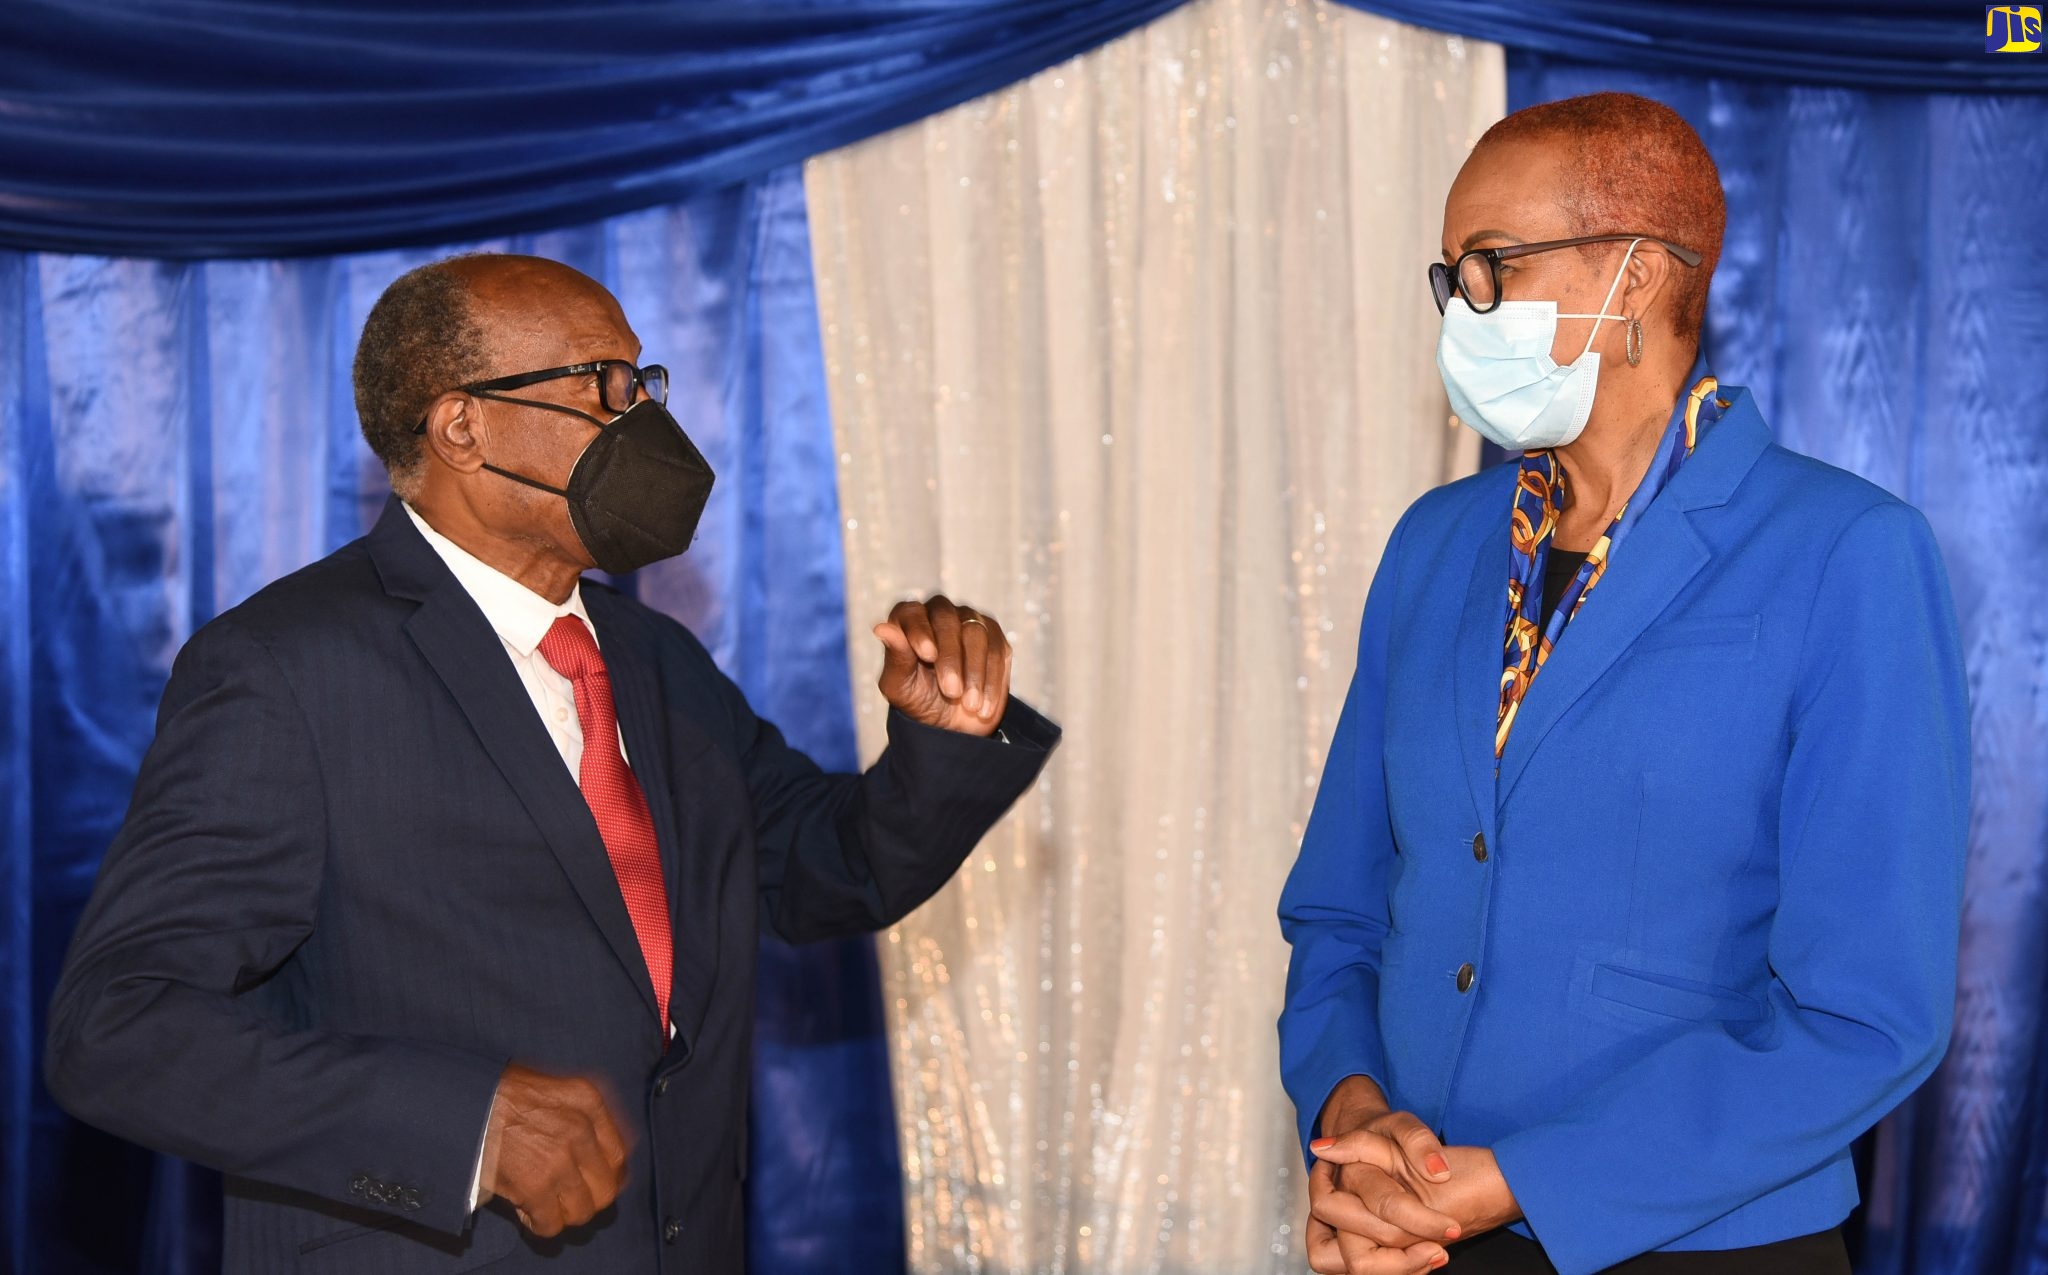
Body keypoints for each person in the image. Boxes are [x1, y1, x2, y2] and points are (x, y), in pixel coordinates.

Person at [44, 253, 1060, 1274]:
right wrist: (466, 1130)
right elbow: (118, 1026)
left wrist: (942, 736)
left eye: (642, 384)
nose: (643, 425)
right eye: (602, 389)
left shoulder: (652, 657)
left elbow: (819, 868)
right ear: (461, 428)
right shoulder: (285, 669)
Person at [1277, 92, 1969, 1275]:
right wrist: (1352, 1118)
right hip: (1411, 1231)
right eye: (1451, 278)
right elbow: (1340, 907)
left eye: (1489, 265)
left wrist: (1523, 1182)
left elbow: (1867, 1015)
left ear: (1638, 280)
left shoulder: (1844, 552)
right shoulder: (1432, 546)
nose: (1461, 312)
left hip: (1698, 1237)